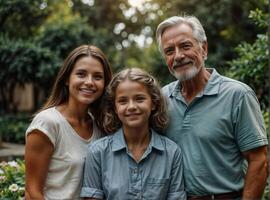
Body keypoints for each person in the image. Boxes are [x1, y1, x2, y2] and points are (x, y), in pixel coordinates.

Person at [156, 15, 269, 200]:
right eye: (169, 51)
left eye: (185, 46)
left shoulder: (237, 95)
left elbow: (259, 160)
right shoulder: (161, 99)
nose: (178, 56)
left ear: (204, 48)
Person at [80, 68, 186, 200]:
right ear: (115, 108)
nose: (131, 106)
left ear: (153, 103)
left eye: (139, 99)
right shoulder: (98, 152)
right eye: (123, 101)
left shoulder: (171, 152)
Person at [25, 44, 112, 200]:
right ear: (66, 79)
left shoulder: (100, 126)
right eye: (81, 74)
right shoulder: (48, 123)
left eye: (97, 77)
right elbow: (32, 192)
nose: (90, 82)